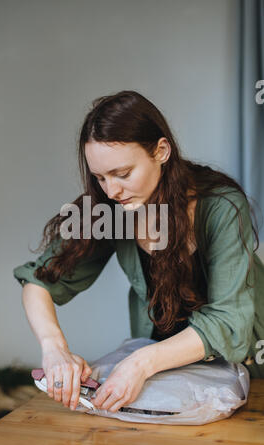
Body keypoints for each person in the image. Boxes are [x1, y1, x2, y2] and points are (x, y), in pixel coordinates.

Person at [13, 90, 264, 415]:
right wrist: (54, 349)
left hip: (246, 369)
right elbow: (38, 282)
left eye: (123, 173)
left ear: (161, 151)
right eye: (100, 177)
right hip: (165, 368)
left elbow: (229, 321)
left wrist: (141, 363)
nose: (112, 190)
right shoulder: (111, 208)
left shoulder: (222, 206)